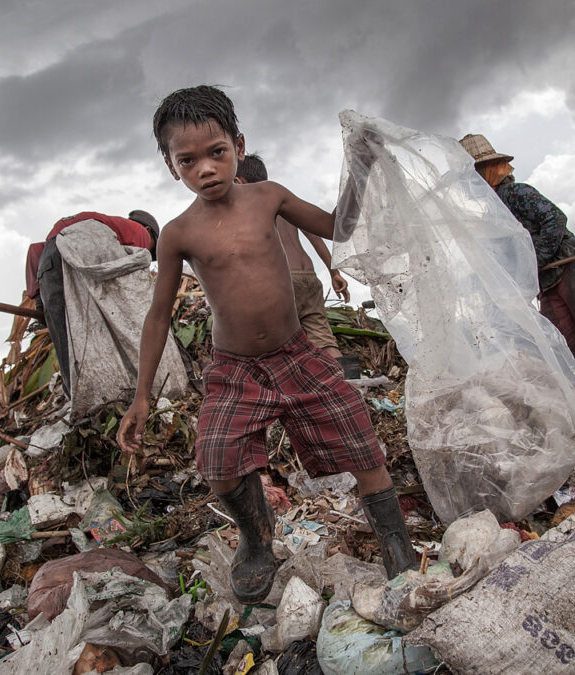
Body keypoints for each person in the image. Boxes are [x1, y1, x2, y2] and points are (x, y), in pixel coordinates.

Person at [117, 85, 412, 604]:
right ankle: (256, 538)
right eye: (188, 160)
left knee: (363, 445)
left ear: (238, 144)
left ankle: (396, 543)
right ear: (171, 166)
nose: (206, 169)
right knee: (216, 459)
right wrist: (141, 396)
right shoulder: (179, 234)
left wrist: (361, 168)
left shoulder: (268, 196)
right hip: (236, 369)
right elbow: (159, 315)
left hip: (297, 353)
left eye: (217, 153)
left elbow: (339, 227)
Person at [460, 134, 575, 373]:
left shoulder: (517, 193)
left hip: (571, 266)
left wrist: (537, 256)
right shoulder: (491, 214)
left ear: (489, 170)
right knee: (564, 342)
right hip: (547, 282)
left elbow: (555, 218)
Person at [24, 210, 161, 395]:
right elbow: (133, 278)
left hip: (49, 261)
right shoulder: (139, 231)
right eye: (152, 250)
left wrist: (39, 299)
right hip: (80, 252)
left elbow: (35, 250)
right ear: (148, 229)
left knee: (65, 338)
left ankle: (78, 398)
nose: (149, 253)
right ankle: (119, 392)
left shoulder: (101, 224)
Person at [235, 154, 351, 361]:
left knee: (278, 346)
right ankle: (343, 386)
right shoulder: (284, 201)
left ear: (238, 182)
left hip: (282, 282)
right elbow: (315, 235)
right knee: (325, 342)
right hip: (310, 278)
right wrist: (334, 273)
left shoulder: (246, 206)